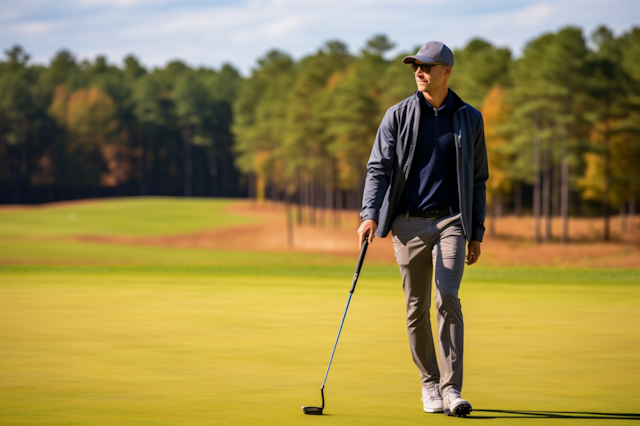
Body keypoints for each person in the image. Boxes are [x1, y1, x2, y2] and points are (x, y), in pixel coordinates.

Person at [356, 41, 488, 417]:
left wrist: (475, 230)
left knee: (446, 296)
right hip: (408, 222)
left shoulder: (469, 118)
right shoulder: (397, 115)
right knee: (417, 307)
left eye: (428, 67)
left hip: (451, 221)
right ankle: (429, 382)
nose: (419, 72)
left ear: (447, 71)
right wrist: (369, 214)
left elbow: (478, 179)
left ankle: (452, 390)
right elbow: (378, 169)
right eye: (416, 66)